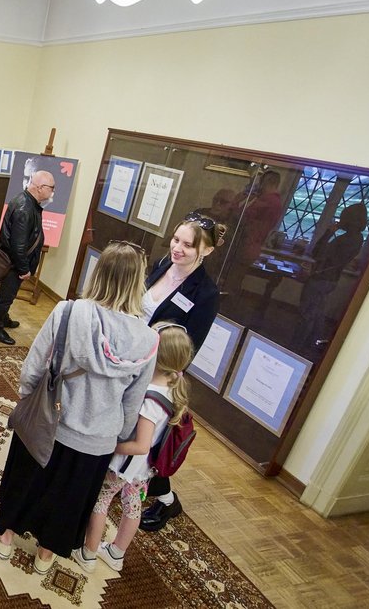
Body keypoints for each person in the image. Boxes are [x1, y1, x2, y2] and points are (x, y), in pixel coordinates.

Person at [0, 241, 159, 575]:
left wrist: (26, 397)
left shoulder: (69, 312)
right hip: (98, 438)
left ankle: (5, 537)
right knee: (70, 497)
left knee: (27, 480)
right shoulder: (148, 340)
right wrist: (117, 435)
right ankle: (45, 555)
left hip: (50, 420)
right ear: (138, 283)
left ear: (99, 273)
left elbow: (34, 365)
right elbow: (133, 400)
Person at [71, 322, 195, 573]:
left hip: (124, 465)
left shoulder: (150, 398)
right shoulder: (172, 388)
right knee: (132, 505)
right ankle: (116, 553)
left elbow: (141, 445)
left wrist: (112, 446)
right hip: (143, 470)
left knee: (101, 500)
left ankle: (88, 553)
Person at [139, 211, 227, 532]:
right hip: (134, 358)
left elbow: (188, 350)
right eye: (176, 240)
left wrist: (157, 378)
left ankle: (167, 501)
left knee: (147, 442)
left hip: (158, 373)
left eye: (187, 245)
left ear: (207, 250)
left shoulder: (206, 294)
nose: (177, 248)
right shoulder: (163, 264)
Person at [0, 170, 55, 345]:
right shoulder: (25, 208)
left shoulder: (27, 201)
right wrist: (24, 269)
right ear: (40, 188)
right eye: (51, 188)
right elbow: (18, 245)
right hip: (14, 263)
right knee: (6, 296)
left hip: (15, 262)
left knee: (9, 294)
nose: (53, 192)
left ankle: (3, 318)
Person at [296, 203, 367, 350]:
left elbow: (317, 253)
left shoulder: (344, 240)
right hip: (332, 280)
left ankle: (296, 346)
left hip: (321, 278)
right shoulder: (358, 239)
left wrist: (328, 232)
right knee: (317, 313)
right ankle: (310, 345)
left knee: (306, 314)